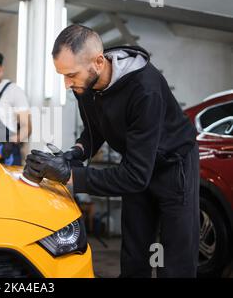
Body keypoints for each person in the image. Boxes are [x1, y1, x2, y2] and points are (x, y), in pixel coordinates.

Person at [24, 25, 200, 278]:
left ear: (98, 62)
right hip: (136, 160)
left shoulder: (145, 89)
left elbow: (135, 176)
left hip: (173, 166)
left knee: (176, 262)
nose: (66, 84)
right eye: (62, 75)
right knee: (134, 253)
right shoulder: (85, 85)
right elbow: (94, 132)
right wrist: (75, 153)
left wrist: (68, 175)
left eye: (71, 75)